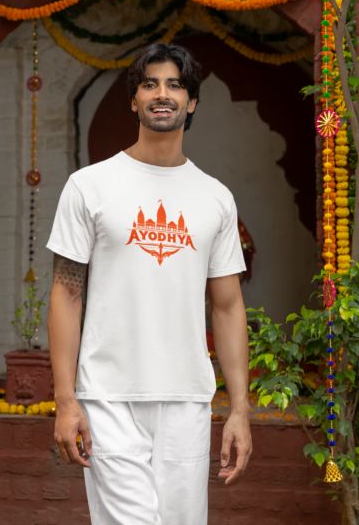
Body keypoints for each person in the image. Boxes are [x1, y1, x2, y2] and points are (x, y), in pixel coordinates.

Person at [46, 42, 252, 525]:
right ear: (134, 100)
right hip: (107, 397)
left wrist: (239, 408)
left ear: (192, 102)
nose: (163, 94)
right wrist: (64, 399)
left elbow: (227, 307)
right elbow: (66, 292)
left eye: (175, 85)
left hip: (187, 399)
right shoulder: (89, 186)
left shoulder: (215, 198)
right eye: (150, 83)